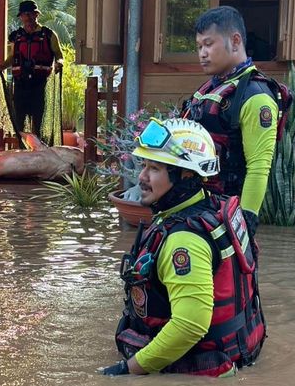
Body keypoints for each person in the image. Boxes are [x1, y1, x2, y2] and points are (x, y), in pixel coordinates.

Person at [102, 118, 265, 377]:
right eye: (143, 165)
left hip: (197, 364)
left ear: (185, 175)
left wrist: (125, 371)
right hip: (239, 348)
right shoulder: (213, 206)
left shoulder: (184, 240)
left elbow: (190, 326)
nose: (141, 176)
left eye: (154, 168)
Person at [182, 6, 280, 237]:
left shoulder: (257, 98)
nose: (202, 53)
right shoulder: (212, 88)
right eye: (198, 47)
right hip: (198, 210)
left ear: (235, 41)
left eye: (208, 44)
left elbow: (258, 167)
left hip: (226, 216)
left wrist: (244, 224)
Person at [0, 0, 64, 143]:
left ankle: (41, 153)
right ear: (21, 17)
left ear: (37, 15)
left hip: (40, 85)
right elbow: (12, 58)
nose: (28, 18)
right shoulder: (16, 37)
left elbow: (59, 56)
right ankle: (23, 150)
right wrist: (0, 67)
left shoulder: (49, 35)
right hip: (20, 85)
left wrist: (59, 64)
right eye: (25, 15)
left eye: (31, 14)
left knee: (39, 121)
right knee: (19, 121)